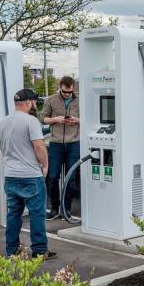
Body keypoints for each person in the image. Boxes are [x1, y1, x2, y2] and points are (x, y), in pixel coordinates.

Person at [0, 88, 54, 259]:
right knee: (37, 213)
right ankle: (39, 251)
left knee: (13, 214)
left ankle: (12, 250)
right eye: (35, 102)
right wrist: (44, 166)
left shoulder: (3, 122)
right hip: (30, 175)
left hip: (10, 175)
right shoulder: (31, 121)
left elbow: (3, 148)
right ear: (28, 103)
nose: (36, 105)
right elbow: (39, 146)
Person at [42, 76, 80, 219]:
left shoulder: (80, 100)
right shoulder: (51, 100)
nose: (67, 95)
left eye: (70, 92)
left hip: (74, 143)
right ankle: (54, 208)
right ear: (60, 87)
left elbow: (88, 119)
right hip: (56, 143)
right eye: (65, 92)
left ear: (73, 89)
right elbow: (43, 118)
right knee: (53, 177)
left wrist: (77, 120)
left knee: (71, 178)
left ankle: (67, 209)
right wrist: (55, 120)